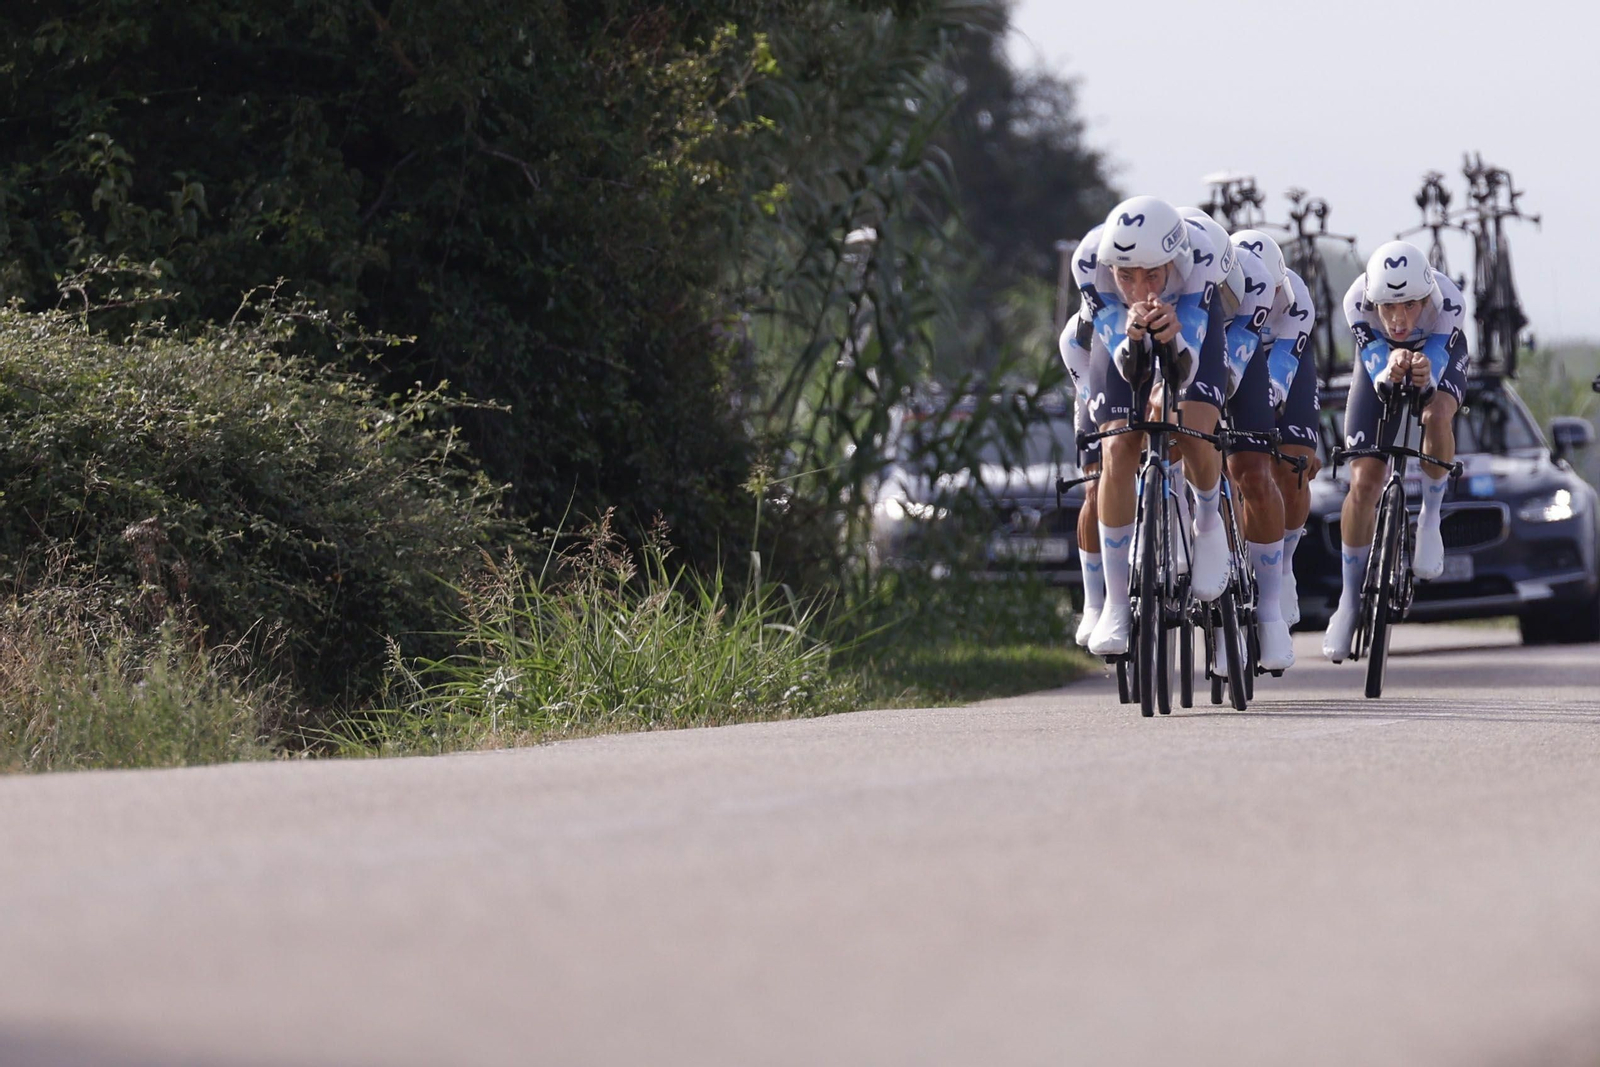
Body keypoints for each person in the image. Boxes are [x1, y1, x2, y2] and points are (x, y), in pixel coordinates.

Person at [1074, 196, 1231, 657]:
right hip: (1123, 331)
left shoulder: (1199, 258)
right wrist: (1132, 332)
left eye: (1152, 274)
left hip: (1190, 323)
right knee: (1118, 445)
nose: (1140, 287)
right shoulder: (1088, 262)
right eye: (1126, 275)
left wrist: (1174, 332)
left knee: (1193, 423)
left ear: (1174, 262)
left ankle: (1207, 525)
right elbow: (1124, 363)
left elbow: (1187, 365)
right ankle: (1117, 605)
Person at [1324, 240, 1469, 662]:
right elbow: (1375, 364)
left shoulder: (1450, 303)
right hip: (1380, 361)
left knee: (1436, 414)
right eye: (1387, 307)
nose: (1398, 318)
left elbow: (1436, 364)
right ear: (1373, 301)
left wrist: (1425, 375)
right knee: (1364, 480)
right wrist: (1389, 365)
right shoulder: (1356, 301)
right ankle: (1349, 602)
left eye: (1408, 306)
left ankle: (1429, 520)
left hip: (1437, 355)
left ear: (1426, 298)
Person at [1178, 211, 1293, 669]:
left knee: (1251, 470)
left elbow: (1236, 361)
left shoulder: (1258, 283)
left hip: (1233, 346)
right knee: (1171, 434)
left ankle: (1268, 612)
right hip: (1174, 336)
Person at [1229, 229, 1324, 634]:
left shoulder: (1298, 300)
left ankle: (1283, 567)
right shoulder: (1222, 293)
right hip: (1232, 352)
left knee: (1293, 461)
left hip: (1279, 363)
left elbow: (1281, 378)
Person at [1059, 297, 1104, 646]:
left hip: (1165, 367)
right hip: (1101, 376)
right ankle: (1094, 602)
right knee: (1096, 485)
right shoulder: (1081, 331)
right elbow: (1072, 345)